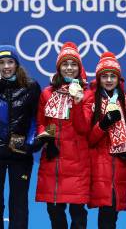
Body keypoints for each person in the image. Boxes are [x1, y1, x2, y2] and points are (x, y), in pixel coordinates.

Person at [0, 45, 42, 229]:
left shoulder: (30, 87)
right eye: (2, 62)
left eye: (10, 62)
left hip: (20, 156)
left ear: (17, 64)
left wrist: (30, 144)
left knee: (19, 204)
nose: (6, 66)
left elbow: (38, 120)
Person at [35, 42, 90, 229]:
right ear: (59, 67)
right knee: (55, 214)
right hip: (53, 160)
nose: (69, 68)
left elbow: (84, 128)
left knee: (78, 216)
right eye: (65, 64)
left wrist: (77, 102)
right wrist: (47, 139)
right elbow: (42, 122)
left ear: (79, 68)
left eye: (73, 64)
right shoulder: (47, 93)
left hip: (77, 162)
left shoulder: (87, 94)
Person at [84, 52, 126, 229]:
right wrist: (103, 124)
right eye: (105, 76)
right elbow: (89, 139)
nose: (109, 80)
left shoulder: (124, 99)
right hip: (100, 164)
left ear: (119, 78)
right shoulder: (91, 98)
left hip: (120, 164)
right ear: (99, 78)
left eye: (113, 76)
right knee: (106, 212)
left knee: (112, 215)